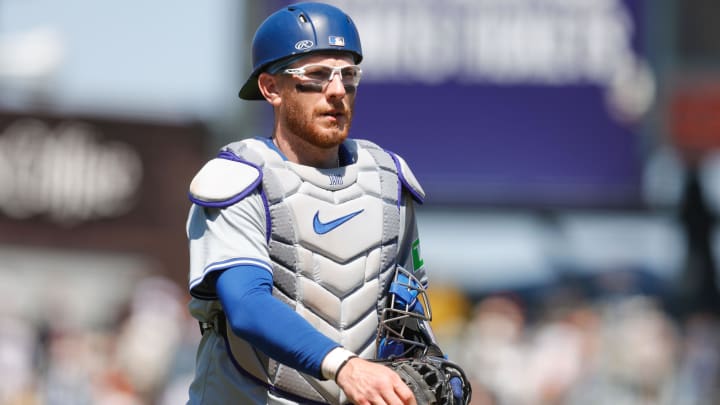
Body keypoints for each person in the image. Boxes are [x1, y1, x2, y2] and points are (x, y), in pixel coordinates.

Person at [185, 2, 458, 404]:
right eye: (316, 75)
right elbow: (247, 305)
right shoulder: (240, 178)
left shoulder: (386, 181)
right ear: (271, 88)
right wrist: (345, 366)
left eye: (348, 75)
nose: (336, 90)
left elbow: (405, 317)